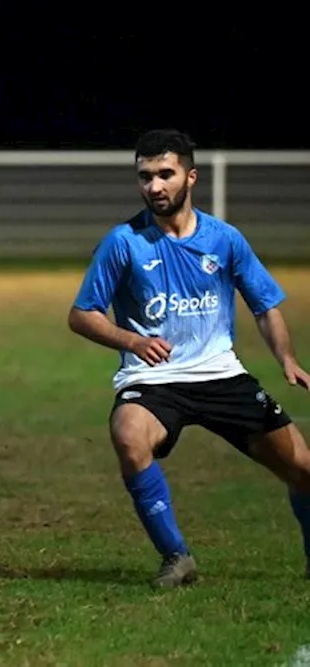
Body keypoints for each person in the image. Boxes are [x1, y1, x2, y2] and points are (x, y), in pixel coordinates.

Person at [69, 128, 310, 588]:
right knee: (127, 435)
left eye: (165, 174)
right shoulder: (123, 242)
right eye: (145, 177)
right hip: (154, 379)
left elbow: (265, 305)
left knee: (303, 469)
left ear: (190, 177)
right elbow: (81, 316)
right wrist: (132, 341)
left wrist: (288, 359)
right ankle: (176, 558)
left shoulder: (224, 239)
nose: (154, 186)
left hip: (221, 375)